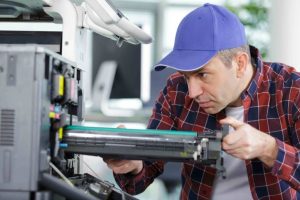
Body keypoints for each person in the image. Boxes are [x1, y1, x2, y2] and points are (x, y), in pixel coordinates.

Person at [104, 3, 300, 200]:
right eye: (186, 76)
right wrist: (133, 163)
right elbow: (145, 168)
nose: (192, 92)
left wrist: (268, 148)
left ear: (239, 64)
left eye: (203, 74)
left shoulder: (292, 90)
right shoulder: (176, 90)